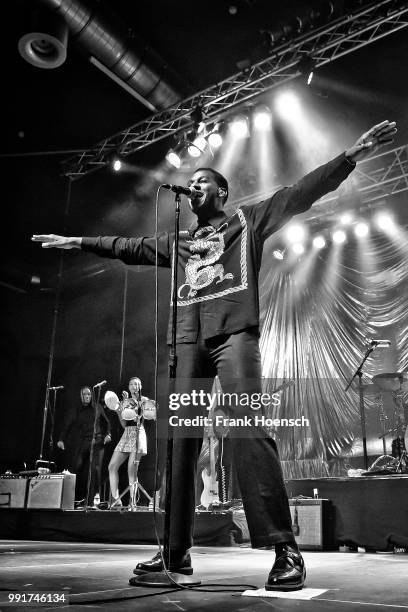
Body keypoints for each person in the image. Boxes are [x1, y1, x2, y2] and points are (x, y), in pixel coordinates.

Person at [33, 120, 396, 590]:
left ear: (221, 193)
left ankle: (284, 547)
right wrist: (78, 242)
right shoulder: (180, 243)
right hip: (187, 340)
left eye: (204, 181)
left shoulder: (247, 222)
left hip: (233, 335)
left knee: (248, 428)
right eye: (194, 181)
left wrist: (351, 155)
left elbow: (302, 192)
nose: (196, 185)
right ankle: (175, 553)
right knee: (179, 445)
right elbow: (129, 247)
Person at [57, 386, 111, 505]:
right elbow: (68, 424)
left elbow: (106, 423)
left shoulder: (98, 407)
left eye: (88, 394)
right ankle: (73, 498)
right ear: (80, 396)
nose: (86, 396)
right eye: (84, 394)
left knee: (93, 471)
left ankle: (90, 501)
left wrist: (108, 434)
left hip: (96, 442)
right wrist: (61, 439)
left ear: (91, 395)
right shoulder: (76, 409)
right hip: (82, 442)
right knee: (77, 467)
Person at [108, 376, 154, 508]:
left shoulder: (144, 400)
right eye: (132, 384)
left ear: (140, 387)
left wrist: (133, 405)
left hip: (138, 433)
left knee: (131, 469)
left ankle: (132, 502)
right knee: (112, 466)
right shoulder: (125, 402)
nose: (134, 386)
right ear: (128, 387)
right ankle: (117, 500)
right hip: (127, 433)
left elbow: (149, 415)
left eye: (137, 384)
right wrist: (119, 408)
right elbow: (123, 424)